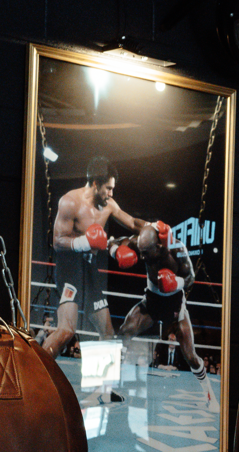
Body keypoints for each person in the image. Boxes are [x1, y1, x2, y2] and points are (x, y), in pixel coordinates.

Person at [41, 156, 147, 361]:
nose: (111, 193)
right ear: (96, 183)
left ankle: (103, 392)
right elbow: (57, 241)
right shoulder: (71, 201)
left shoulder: (108, 205)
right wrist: (85, 242)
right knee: (66, 331)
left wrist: (154, 227)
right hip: (69, 269)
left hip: (89, 272)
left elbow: (133, 223)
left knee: (107, 334)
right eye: (108, 188)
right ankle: (35, 378)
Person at [116, 221, 218, 409]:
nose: (142, 256)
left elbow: (191, 278)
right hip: (152, 301)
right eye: (141, 250)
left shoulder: (177, 250)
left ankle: (209, 394)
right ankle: (111, 388)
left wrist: (175, 282)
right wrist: (116, 250)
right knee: (124, 331)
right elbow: (117, 241)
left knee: (190, 355)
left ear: (159, 245)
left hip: (174, 305)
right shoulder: (143, 243)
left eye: (146, 252)